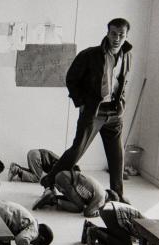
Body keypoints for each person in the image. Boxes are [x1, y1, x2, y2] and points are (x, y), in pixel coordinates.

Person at [40, 18, 132, 203]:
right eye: (114, 33)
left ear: (126, 36)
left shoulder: (127, 54)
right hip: (94, 112)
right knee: (77, 150)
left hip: (114, 113)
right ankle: (48, 182)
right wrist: (81, 103)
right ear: (107, 33)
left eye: (121, 35)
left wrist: (121, 101)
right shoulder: (90, 55)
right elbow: (71, 79)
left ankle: (118, 193)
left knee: (117, 155)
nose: (117, 38)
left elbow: (122, 79)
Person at [32, 170, 120, 217]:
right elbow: (87, 212)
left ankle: (51, 197)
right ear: (110, 200)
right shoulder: (101, 198)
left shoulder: (100, 189)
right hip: (66, 180)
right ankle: (52, 200)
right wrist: (98, 213)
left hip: (64, 176)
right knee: (79, 207)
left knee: (79, 201)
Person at [9, 149, 80, 183]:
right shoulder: (63, 165)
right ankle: (17, 170)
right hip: (37, 156)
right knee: (36, 178)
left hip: (34, 153)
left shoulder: (63, 160)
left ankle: (15, 166)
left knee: (33, 173)